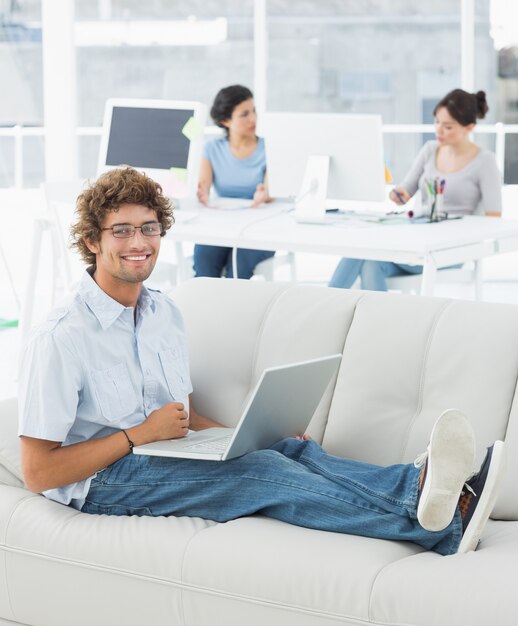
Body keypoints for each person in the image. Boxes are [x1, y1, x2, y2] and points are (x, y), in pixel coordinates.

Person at [18, 167, 506, 556]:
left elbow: (180, 419)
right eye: (121, 231)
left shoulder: (164, 312)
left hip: (161, 451)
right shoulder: (63, 336)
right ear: (92, 242)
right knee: (259, 477)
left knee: (288, 453)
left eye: (148, 227)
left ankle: (424, 488)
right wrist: (135, 436)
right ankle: (439, 520)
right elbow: (39, 472)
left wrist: (246, 434)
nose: (138, 242)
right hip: (104, 482)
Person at [329, 89, 503, 291]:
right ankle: (376, 322)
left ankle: (322, 309)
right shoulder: (430, 149)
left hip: (451, 250)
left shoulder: (485, 161)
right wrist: (398, 194)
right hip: (417, 239)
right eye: (437, 122)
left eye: (448, 126)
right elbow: (406, 189)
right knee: (370, 263)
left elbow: (494, 217)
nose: (439, 130)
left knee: (362, 251)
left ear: (469, 127)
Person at [194, 84, 275, 279]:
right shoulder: (212, 148)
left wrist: (264, 195)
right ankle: (205, 309)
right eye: (244, 114)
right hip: (223, 226)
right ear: (225, 120)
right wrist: (201, 194)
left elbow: (269, 190)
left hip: (258, 228)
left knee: (238, 265)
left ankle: (233, 309)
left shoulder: (268, 147)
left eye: (253, 111)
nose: (253, 118)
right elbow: (203, 186)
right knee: (203, 258)